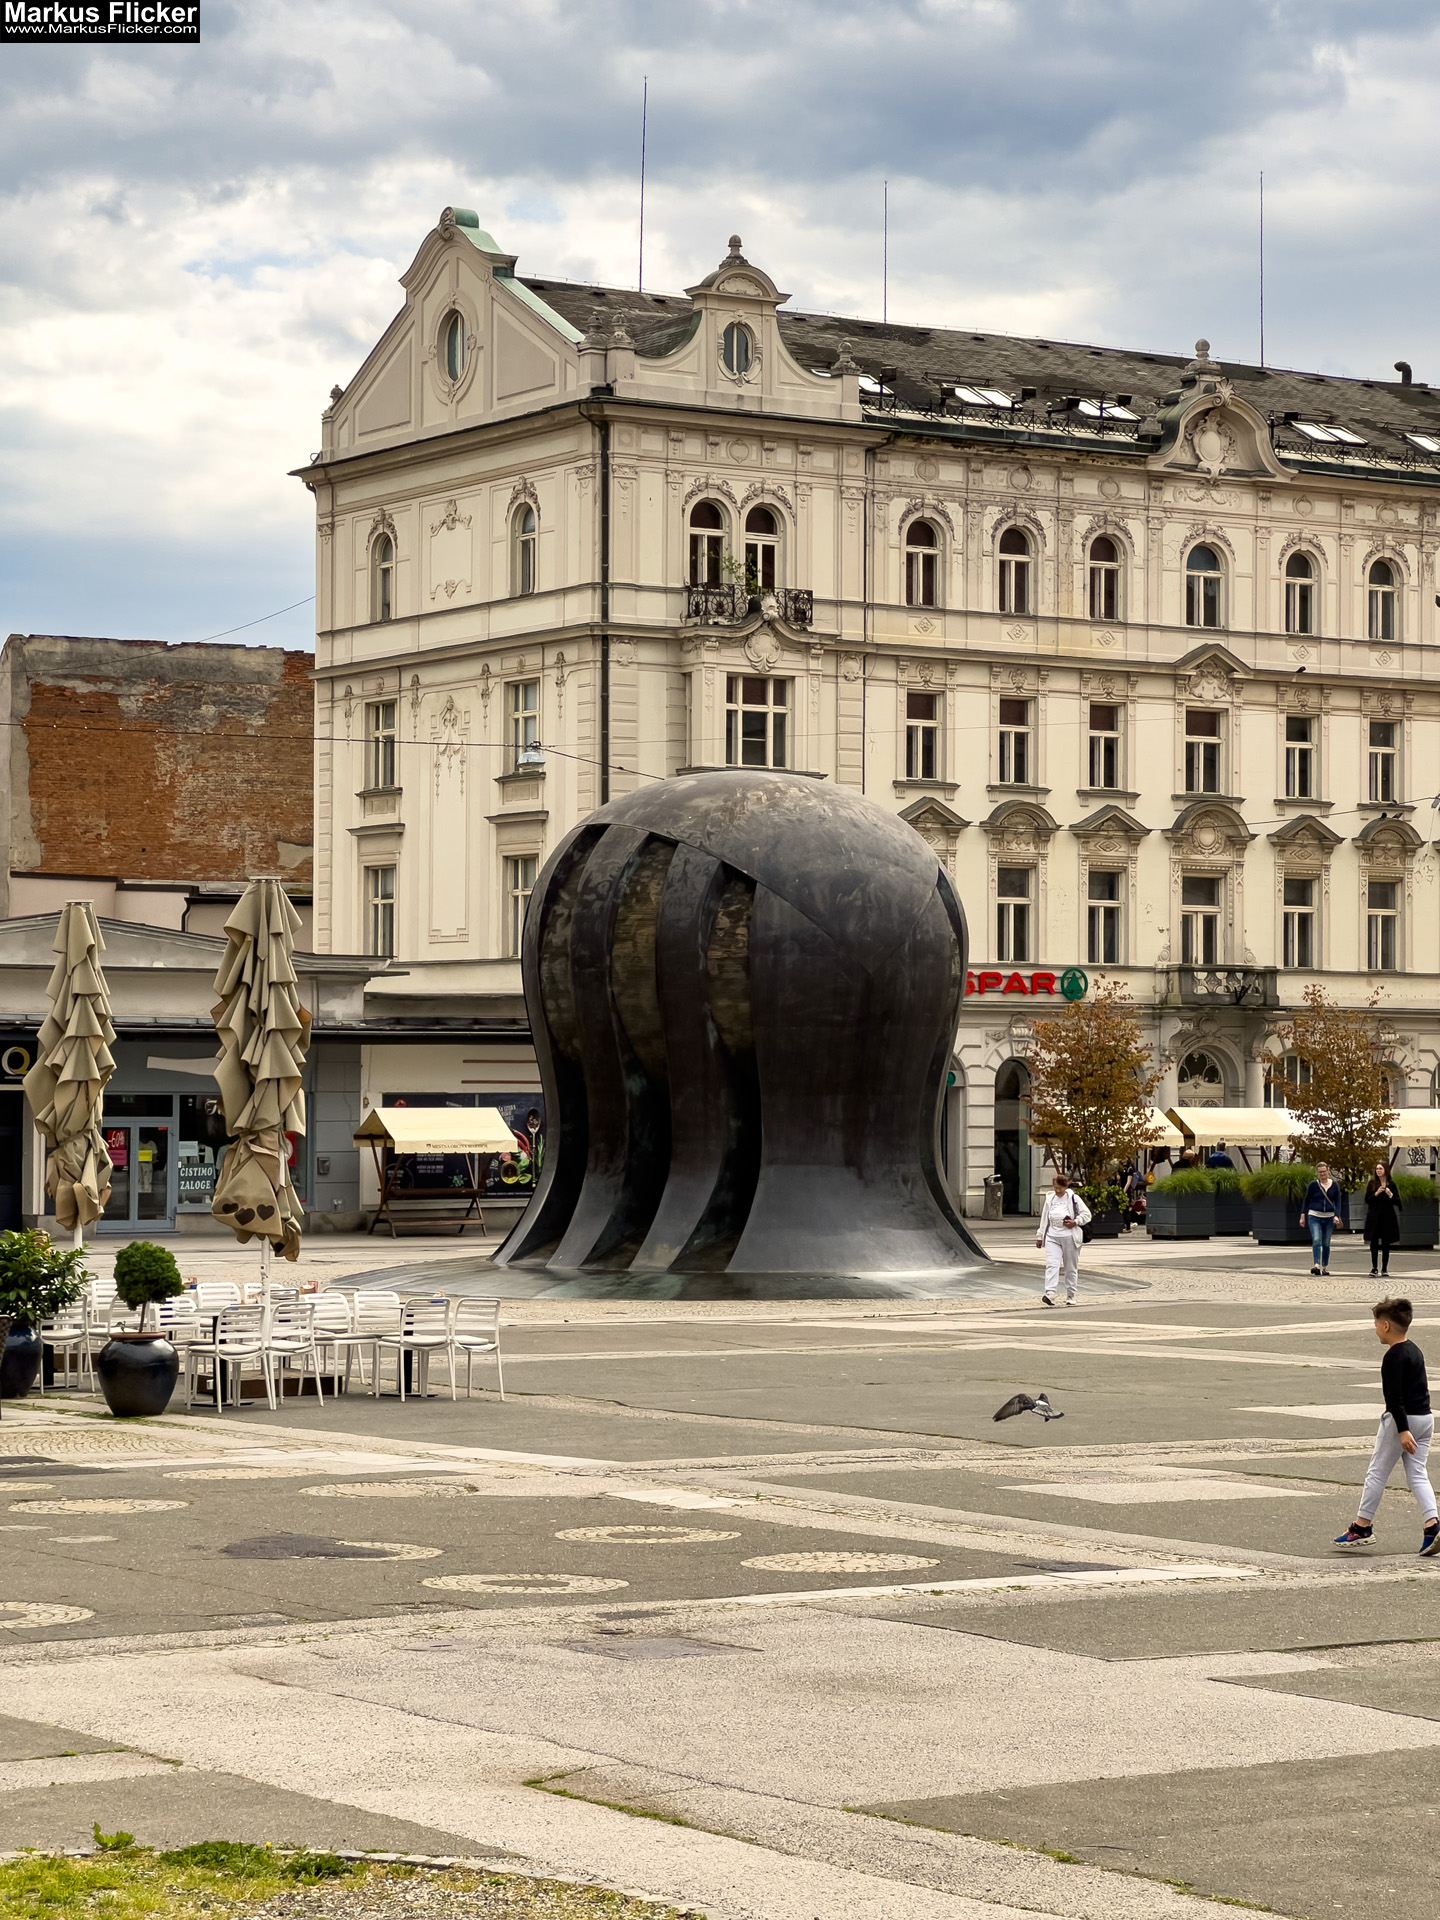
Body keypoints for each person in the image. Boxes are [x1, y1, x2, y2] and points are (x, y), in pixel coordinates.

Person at [1334, 1296, 1439, 1555]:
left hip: (1402, 1421)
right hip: (1425, 1418)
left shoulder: (1393, 1356)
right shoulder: (1415, 1349)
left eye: (1376, 1323)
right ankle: (1432, 1525)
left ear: (1386, 1326)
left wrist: (1402, 1430)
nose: (1374, 1328)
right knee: (1417, 1474)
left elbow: (1394, 1398)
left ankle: (1361, 1527)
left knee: (1377, 1472)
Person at [1036, 1171, 1092, 1308]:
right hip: (1052, 1236)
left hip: (1070, 1237)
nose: (1057, 1190)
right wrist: (1040, 1235)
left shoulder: (1074, 1198)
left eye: (1060, 1188)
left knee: (1070, 1267)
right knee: (1052, 1264)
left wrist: (1075, 1221)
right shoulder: (1050, 1199)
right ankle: (1050, 1293)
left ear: (1065, 1187)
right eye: (1055, 1187)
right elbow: (1044, 1219)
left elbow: (1087, 1214)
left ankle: (1071, 1294)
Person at [1299, 1161, 1342, 1277]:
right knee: (1317, 1239)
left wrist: (1337, 1215)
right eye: (1320, 1172)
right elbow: (1306, 1200)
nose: (1322, 1174)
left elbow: (1338, 1202)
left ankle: (1324, 1266)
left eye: (1324, 1171)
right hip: (1314, 1215)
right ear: (1317, 1173)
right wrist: (1303, 1214)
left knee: (1326, 1243)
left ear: (1328, 1171)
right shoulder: (1313, 1185)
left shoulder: (1334, 1185)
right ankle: (1316, 1264)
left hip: (1328, 1217)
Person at [1364, 1161, 1404, 1279]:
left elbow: (1398, 1202)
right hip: (1374, 1218)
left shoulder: (1391, 1184)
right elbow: (1367, 1200)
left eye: (1380, 1169)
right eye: (1377, 1169)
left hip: (1387, 1218)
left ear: (1386, 1170)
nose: (1378, 1171)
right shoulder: (1372, 1183)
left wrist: (1390, 1194)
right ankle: (1374, 1267)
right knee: (1374, 1243)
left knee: (1386, 1243)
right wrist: (1376, 1193)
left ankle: (1384, 1268)